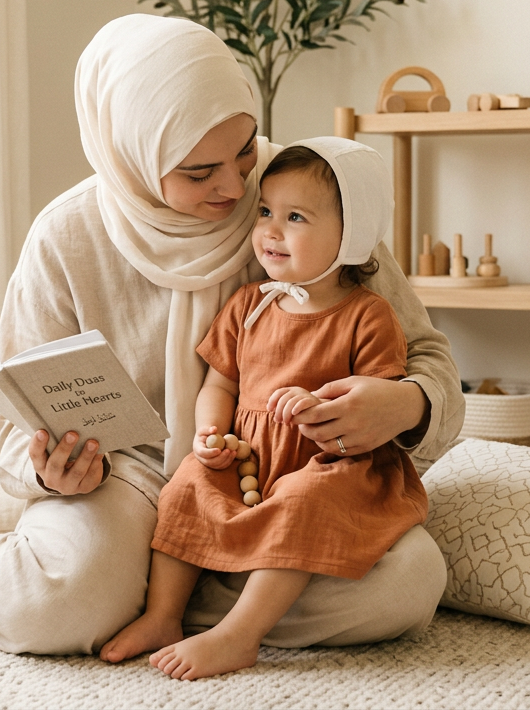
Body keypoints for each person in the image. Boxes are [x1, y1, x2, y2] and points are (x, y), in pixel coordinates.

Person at [0, 14, 462, 657]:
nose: (235, 186)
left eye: (245, 148)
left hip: (282, 472)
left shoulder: (305, 193)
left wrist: (406, 403)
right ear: (131, 155)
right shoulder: (67, 235)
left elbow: (424, 352)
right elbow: (15, 420)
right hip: (127, 477)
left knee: (407, 582)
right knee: (54, 608)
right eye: (198, 171)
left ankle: (156, 599)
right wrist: (53, 470)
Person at [101, 137, 429, 680]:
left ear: (351, 234)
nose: (270, 231)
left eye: (295, 217)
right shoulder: (248, 306)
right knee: (187, 484)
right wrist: (209, 432)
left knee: (304, 501)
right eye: (265, 212)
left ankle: (240, 633)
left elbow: (375, 400)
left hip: (330, 463)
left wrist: (320, 402)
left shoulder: (368, 315)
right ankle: (163, 615)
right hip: (250, 455)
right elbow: (220, 383)